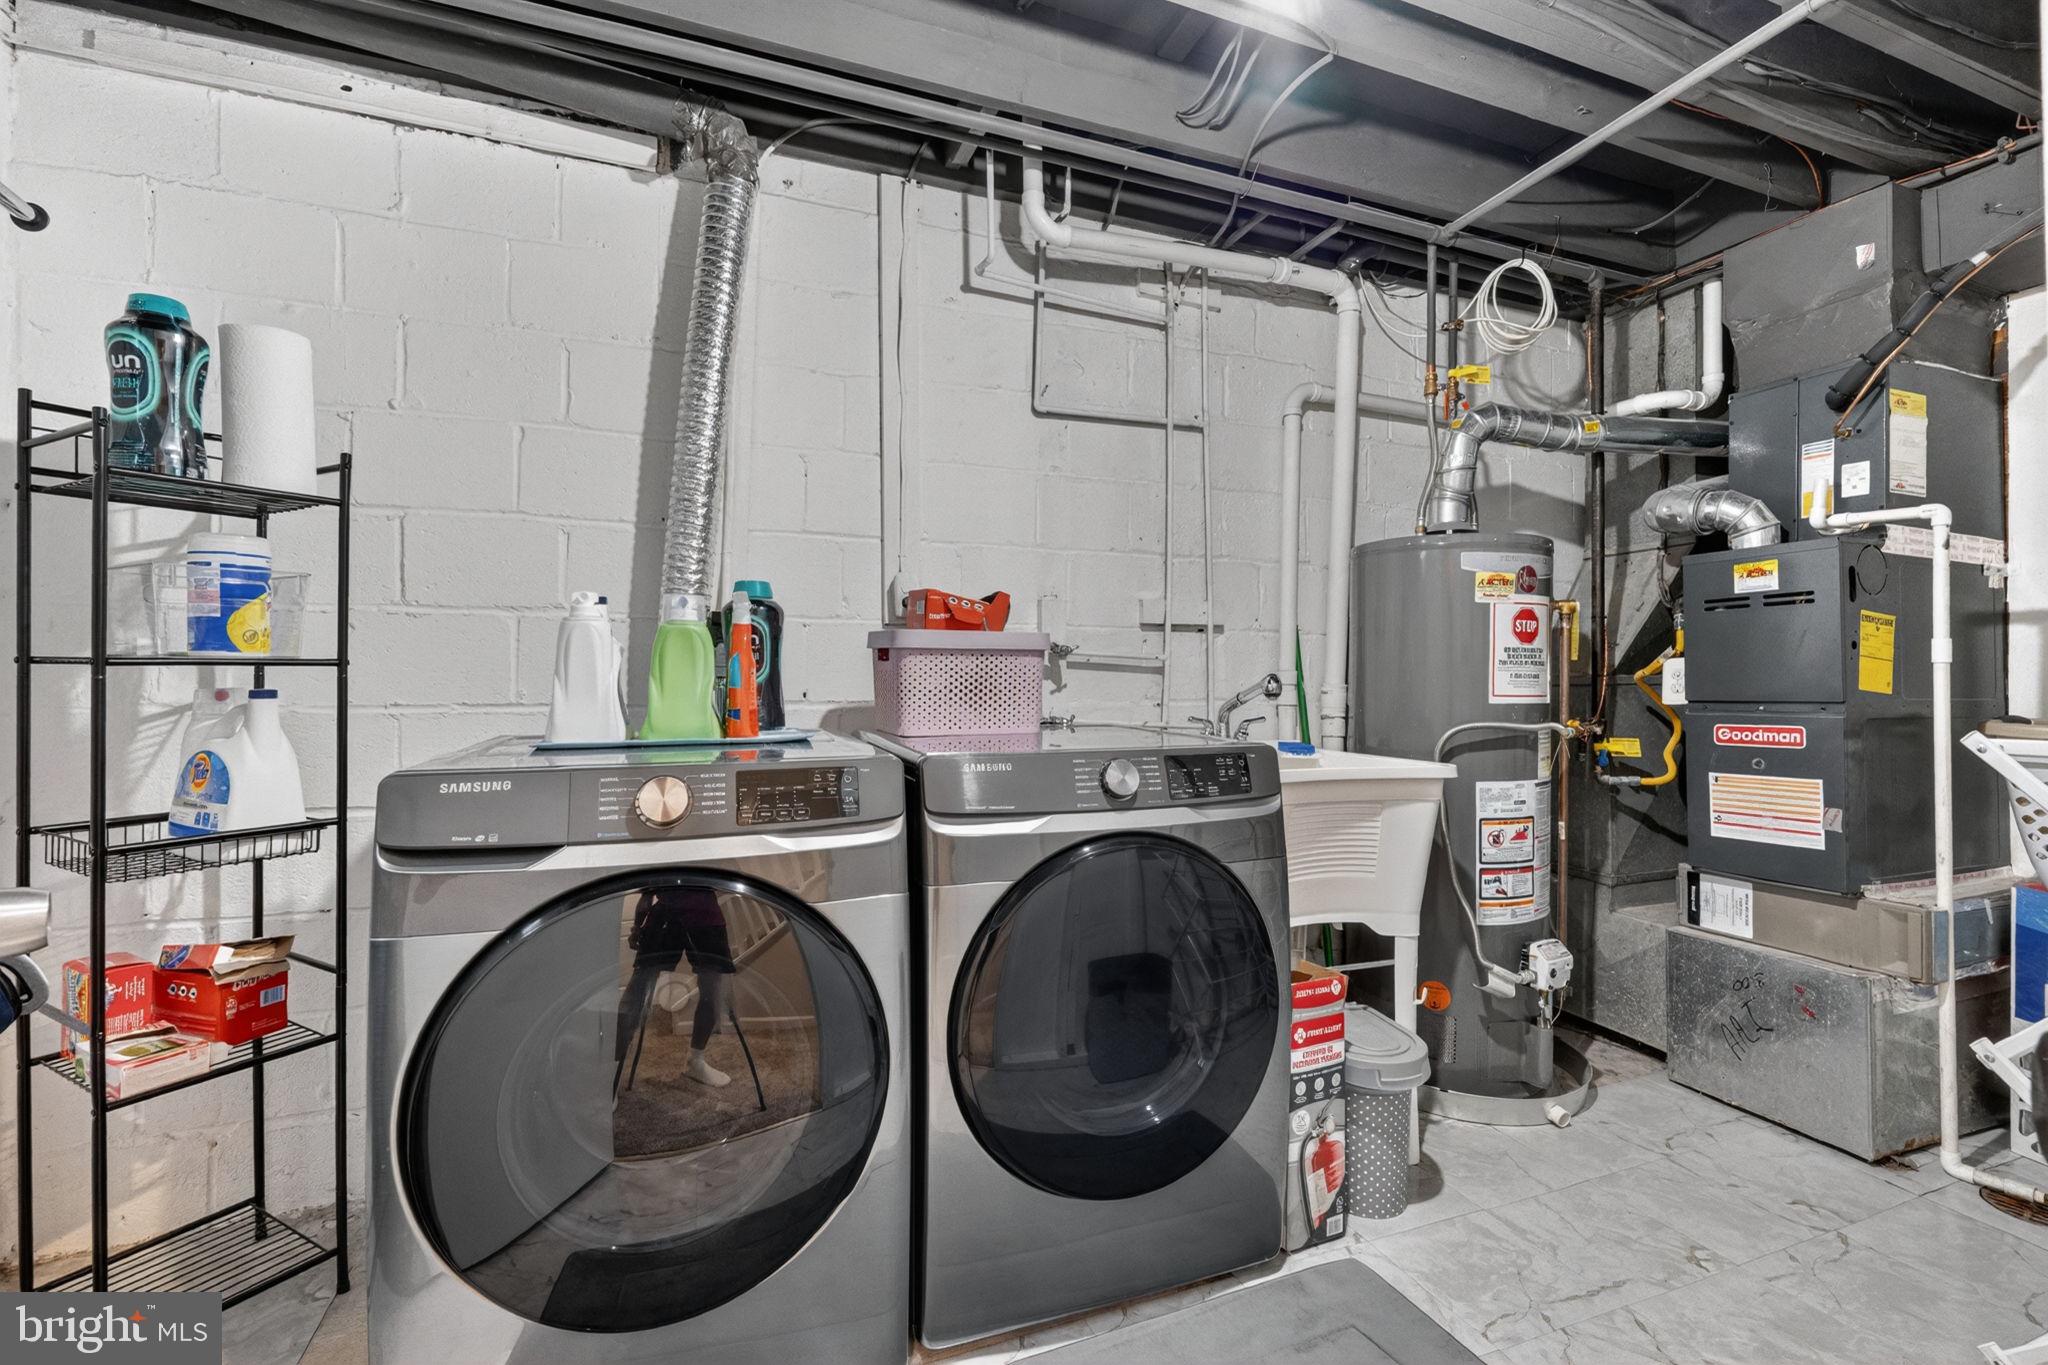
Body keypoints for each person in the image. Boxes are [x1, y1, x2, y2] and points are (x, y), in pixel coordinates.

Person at [618, 880, 737, 1089]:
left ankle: (696, 1061)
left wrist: (638, 926)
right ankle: (613, 1068)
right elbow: (647, 894)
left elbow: (646, 896)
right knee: (639, 989)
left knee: (711, 990)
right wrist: (638, 926)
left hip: (700, 917)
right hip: (686, 915)